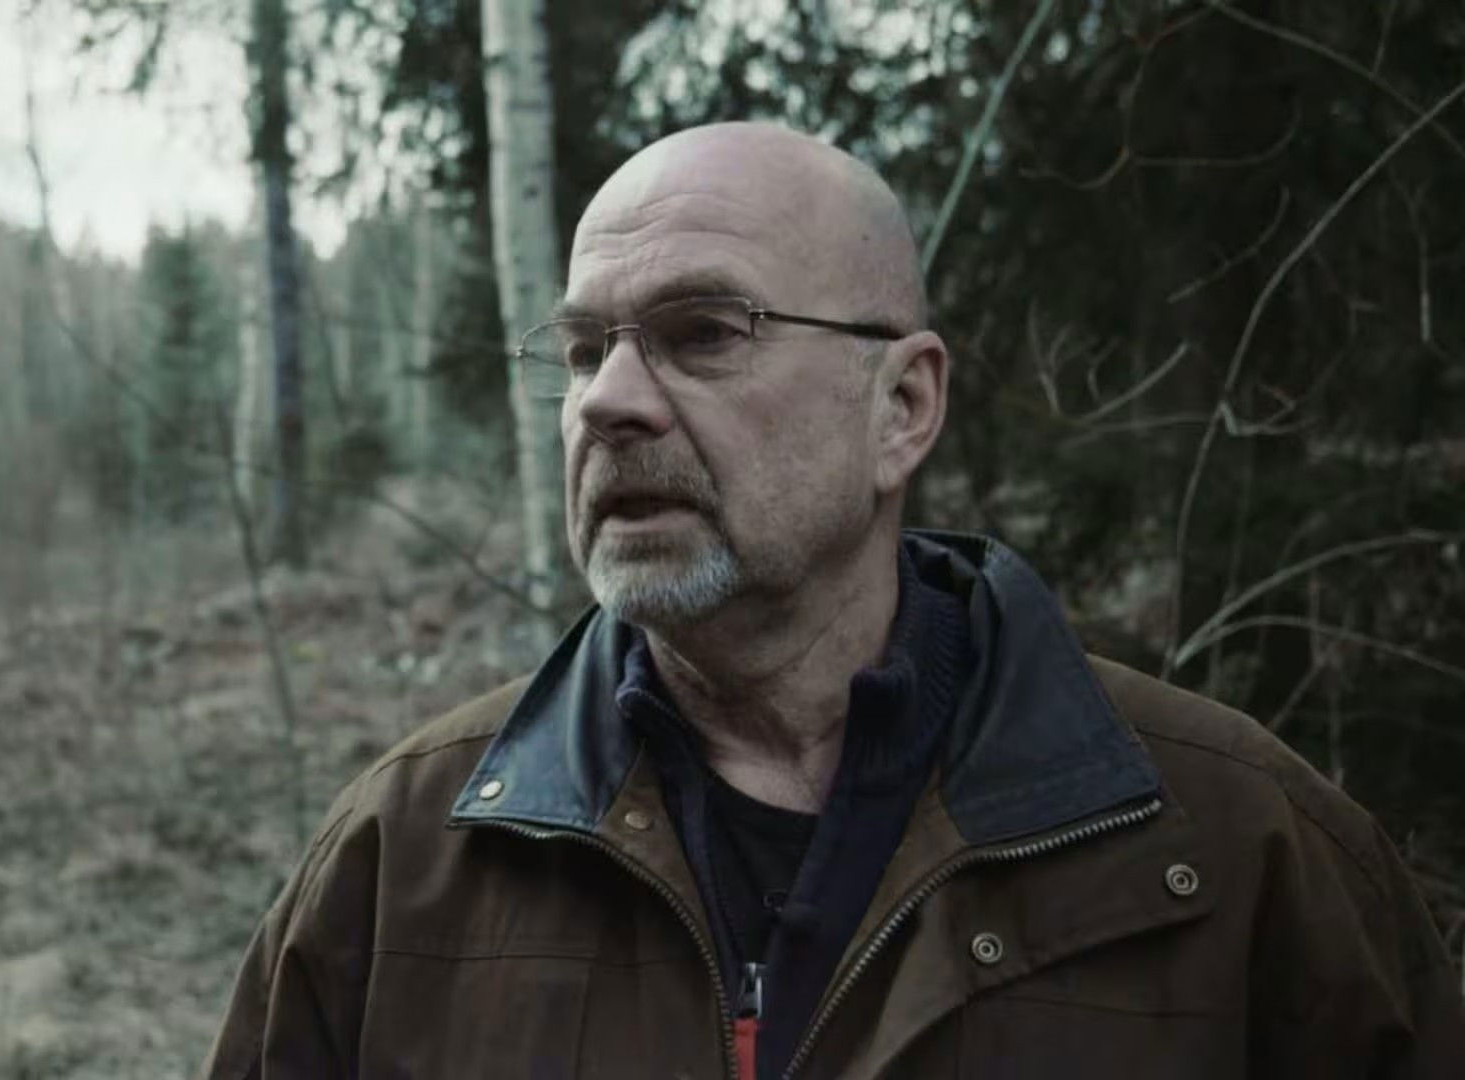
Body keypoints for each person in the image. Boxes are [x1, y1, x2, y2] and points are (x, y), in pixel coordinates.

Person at [197, 122, 1465, 1079]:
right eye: (584, 351)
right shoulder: (403, 861)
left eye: (703, 332)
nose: (609, 402)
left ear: (901, 407)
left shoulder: (1238, 847)